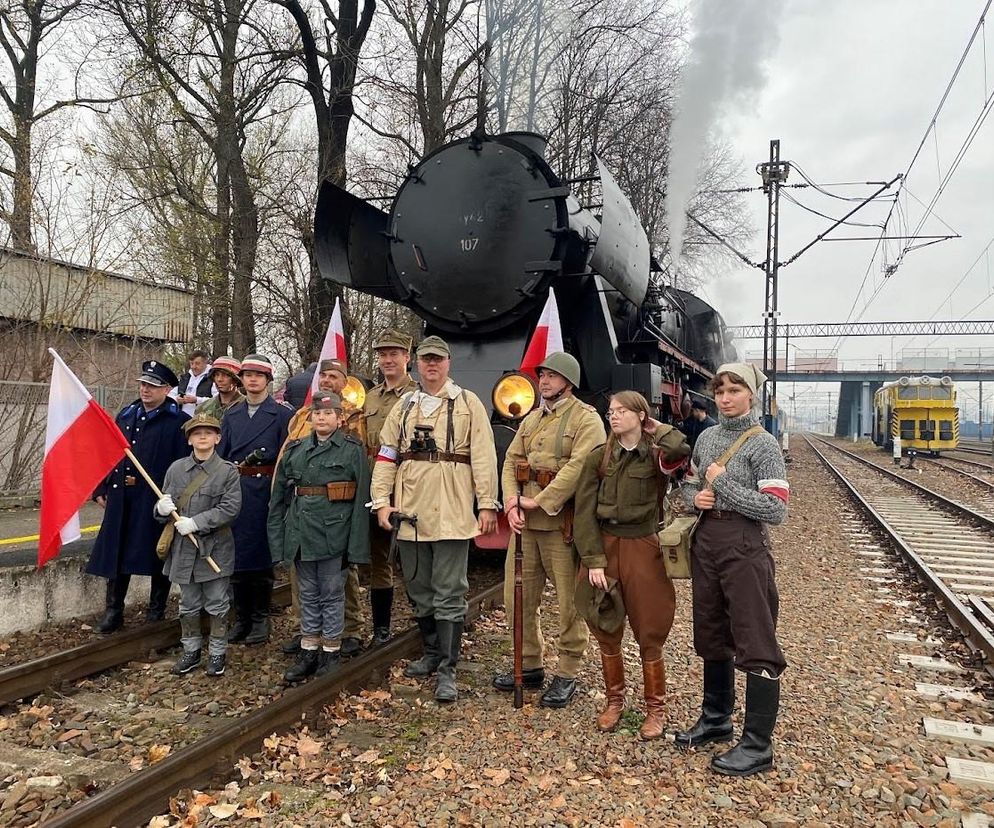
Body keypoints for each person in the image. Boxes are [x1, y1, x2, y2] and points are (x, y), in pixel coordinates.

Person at [675, 362, 789, 777]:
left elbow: (776, 509)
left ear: (751, 395)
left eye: (734, 390)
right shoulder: (705, 437)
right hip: (707, 542)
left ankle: (758, 745)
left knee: (755, 636)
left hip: (744, 545)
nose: (725, 398)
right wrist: (696, 498)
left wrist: (721, 485)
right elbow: (690, 484)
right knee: (711, 631)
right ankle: (716, 719)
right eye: (720, 390)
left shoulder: (764, 444)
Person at [371, 335, 499, 702]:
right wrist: (381, 502)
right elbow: (386, 455)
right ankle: (430, 652)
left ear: (448, 363)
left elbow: (484, 456)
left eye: (438, 360)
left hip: (452, 509)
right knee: (419, 588)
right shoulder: (405, 406)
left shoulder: (467, 403)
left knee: (448, 590)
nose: (431, 365)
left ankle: (448, 666)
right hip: (410, 511)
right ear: (418, 363)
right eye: (426, 359)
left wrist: (487, 503)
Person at [491, 352, 606, 708]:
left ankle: (568, 671)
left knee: (571, 604)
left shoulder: (587, 420)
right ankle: (528, 664)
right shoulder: (532, 419)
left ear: (568, 382)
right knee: (518, 598)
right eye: (542, 375)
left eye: (552, 376)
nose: (544, 381)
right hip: (525, 524)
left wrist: (539, 501)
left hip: (561, 526)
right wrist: (511, 501)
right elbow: (511, 460)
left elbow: (579, 469)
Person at [573, 391, 690, 739]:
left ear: (640, 415)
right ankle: (615, 702)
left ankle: (656, 709)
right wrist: (593, 560)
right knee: (605, 624)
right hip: (606, 548)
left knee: (650, 626)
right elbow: (583, 514)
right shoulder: (599, 458)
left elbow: (680, 449)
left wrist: (653, 425)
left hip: (644, 546)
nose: (614, 416)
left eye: (622, 411)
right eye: (611, 411)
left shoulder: (655, 456)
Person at [269, 393, 371, 682]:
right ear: (310, 418)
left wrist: (356, 549)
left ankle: (331, 651)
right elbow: (278, 499)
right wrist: (278, 541)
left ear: (340, 418)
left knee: (332, 594)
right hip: (301, 533)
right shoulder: (296, 449)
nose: (322, 418)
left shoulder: (352, 451)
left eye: (328, 413)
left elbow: (361, 501)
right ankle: (309, 649)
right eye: (317, 414)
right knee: (308, 595)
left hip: (334, 535)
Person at [87, 360, 190, 633]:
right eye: (143, 384)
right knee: (117, 552)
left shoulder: (178, 422)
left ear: (166, 389)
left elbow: (182, 465)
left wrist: (175, 498)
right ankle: (114, 610)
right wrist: (100, 486)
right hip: (122, 497)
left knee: (157, 553)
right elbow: (109, 454)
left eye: (153, 386)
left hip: (154, 500)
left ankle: (156, 612)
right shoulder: (127, 415)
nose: (145, 390)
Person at [155, 413, 242, 677]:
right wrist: (160, 509)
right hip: (184, 551)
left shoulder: (227, 471)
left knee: (217, 602)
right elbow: (164, 504)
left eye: (208, 432)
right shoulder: (176, 469)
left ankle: (217, 653)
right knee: (188, 603)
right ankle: (191, 650)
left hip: (214, 548)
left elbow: (230, 508)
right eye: (196, 433)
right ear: (189, 439)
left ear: (217, 438)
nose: (202, 436)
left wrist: (197, 522)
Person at [218, 354, 295, 645]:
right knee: (235, 556)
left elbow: (288, 457)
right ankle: (243, 617)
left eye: (258, 376)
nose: (252, 380)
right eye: (247, 375)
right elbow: (222, 454)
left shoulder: (282, 414)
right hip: (235, 489)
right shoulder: (232, 415)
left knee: (261, 556)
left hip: (265, 491)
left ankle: (261, 618)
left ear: (267, 380)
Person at [358, 329, 417, 646]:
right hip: (374, 485)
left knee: (413, 557)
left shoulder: (418, 395)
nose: (388, 359)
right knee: (380, 558)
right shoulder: (371, 397)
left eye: (394, 353)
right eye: (382, 354)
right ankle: (381, 629)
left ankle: (429, 624)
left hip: (407, 485)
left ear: (407, 357)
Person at [173, 350, 216, 416]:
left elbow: (217, 400)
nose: (193, 367)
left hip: (202, 420)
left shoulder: (212, 378)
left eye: (197, 363)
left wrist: (197, 400)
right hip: (182, 419)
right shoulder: (185, 377)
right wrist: (177, 399)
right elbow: (170, 395)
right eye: (191, 363)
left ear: (205, 363)